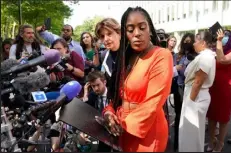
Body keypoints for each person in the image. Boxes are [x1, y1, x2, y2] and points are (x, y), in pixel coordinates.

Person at [102, 7, 173, 152]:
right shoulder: (126, 58)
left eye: (142, 27)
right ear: (125, 34)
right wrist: (109, 113)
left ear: (150, 30)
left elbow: (153, 103)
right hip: (122, 127)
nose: (137, 34)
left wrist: (122, 124)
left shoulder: (161, 55)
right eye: (130, 29)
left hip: (147, 132)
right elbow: (117, 95)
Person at [178, 31, 216, 152]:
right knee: (191, 133)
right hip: (195, 96)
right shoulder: (204, 56)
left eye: (196, 41)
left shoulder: (206, 57)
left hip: (196, 97)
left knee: (191, 133)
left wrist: (190, 101)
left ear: (203, 43)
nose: (194, 44)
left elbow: (198, 82)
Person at [206, 29, 231, 152]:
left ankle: (220, 143)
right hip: (213, 87)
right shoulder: (215, 49)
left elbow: (222, 60)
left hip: (226, 88)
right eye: (222, 35)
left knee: (222, 118)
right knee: (211, 116)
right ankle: (211, 140)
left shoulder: (226, 50)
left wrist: (219, 42)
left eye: (227, 35)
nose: (224, 37)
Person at [171, 33, 196, 152]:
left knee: (189, 117)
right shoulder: (177, 56)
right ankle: (177, 144)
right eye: (185, 41)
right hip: (179, 90)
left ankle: (188, 144)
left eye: (189, 41)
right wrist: (176, 68)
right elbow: (171, 70)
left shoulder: (196, 56)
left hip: (191, 89)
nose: (187, 43)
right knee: (178, 116)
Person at [94, 18, 121, 87]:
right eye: (102, 36)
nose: (106, 39)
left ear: (119, 33)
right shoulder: (104, 55)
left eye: (109, 34)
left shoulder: (132, 51)